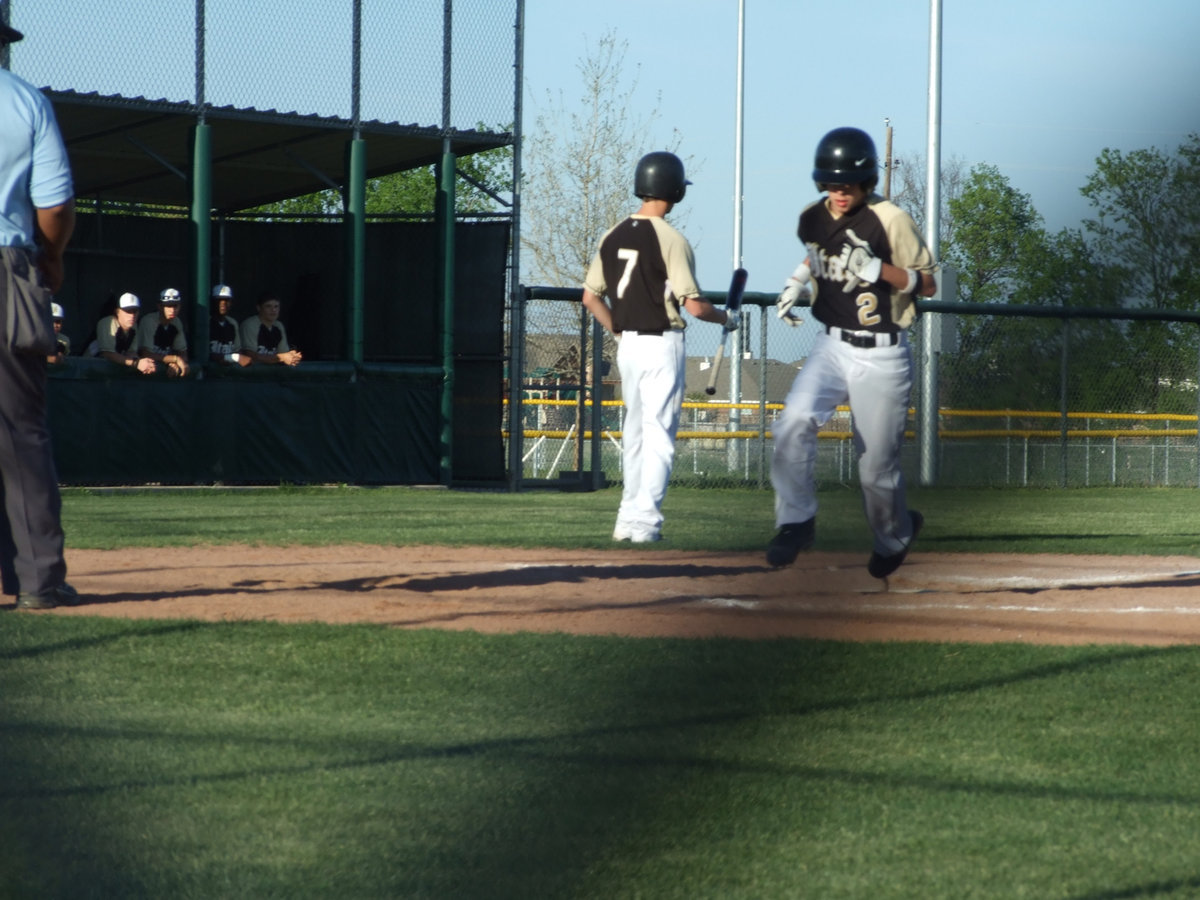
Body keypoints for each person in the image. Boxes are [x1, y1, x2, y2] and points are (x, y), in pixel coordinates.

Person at [766, 126, 938, 579]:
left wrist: (879, 269)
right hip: (830, 345)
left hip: (883, 353)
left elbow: (929, 283)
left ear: (866, 182)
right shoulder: (812, 216)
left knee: (875, 468)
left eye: (849, 185)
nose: (840, 193)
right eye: (831, 183)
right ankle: (796, 521)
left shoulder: (892, 220)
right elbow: (819, 250)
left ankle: (895, 533)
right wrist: (797, 281)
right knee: (792, 423)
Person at [581, 151, 736, 543]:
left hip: (628, 347)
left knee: (634, 435)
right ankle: (646, 523)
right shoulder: (671, 239)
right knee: (659, 437)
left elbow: (590, 297)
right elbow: (695, 306)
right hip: (661, 345)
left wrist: (617, 329)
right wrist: (726, 318)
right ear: (674, 190)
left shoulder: (612, 234)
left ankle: (626, 520)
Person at [0, 16, 80, 608]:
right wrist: (50, 261)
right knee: (20, 434)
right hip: (8, 268)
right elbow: (53, 205)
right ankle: (37, 583)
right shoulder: (25, 100)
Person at [91, 292, 156, 373]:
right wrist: (136, 363)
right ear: (118, 312)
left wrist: (144, 363)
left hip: (113, 371)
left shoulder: (134, 326)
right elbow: (107, 354)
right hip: (90, 368)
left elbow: (131, 352)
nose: (132, 315)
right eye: (128, 311)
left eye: (135, 311)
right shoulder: (107, 322)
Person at [239, 290, 302, 366]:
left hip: (272, 372)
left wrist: (292, 356)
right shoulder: (250, 325)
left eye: (276, 306)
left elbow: (284, 354)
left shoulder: (279, 326)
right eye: (268, 306)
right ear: (259, 308)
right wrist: (281, 357)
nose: (273, 310)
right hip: (251, 372)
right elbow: (250, 355)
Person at [137, 286, 189, 376]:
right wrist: (175, 359)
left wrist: (176, 363)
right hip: (143, 373)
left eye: (175, 305)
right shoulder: (149, 321)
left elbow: (183, 352)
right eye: (168, 305)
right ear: (160, 306)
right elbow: (145, 353)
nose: (172, 309)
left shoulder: (177, 322)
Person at [208, 283, 244, 365]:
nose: (223, 303)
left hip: (229, 373)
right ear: (212, 302)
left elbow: (237, 350)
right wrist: (227, 358)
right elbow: (202, 354)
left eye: (227, 300)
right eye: (219, 300)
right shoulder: (205, 323)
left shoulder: (232, 323)